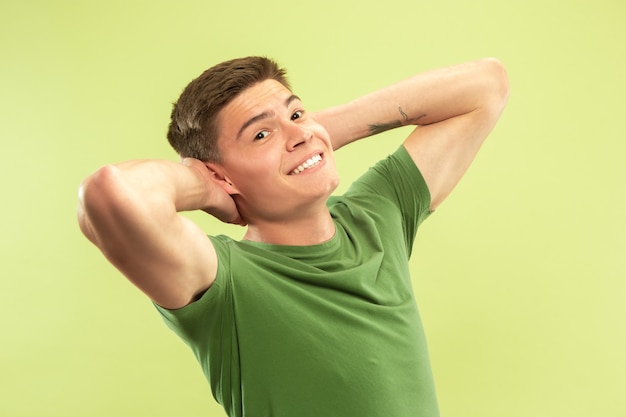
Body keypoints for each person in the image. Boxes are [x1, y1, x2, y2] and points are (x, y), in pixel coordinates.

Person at [77, 56, 509, 417]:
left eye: (297, 113)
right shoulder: (224, 282)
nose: (298, 132)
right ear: (220, 174)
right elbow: (110, 194)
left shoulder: (378, 214)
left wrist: (313, 135)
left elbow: (487, 85)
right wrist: (206, 184)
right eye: (260, 134)